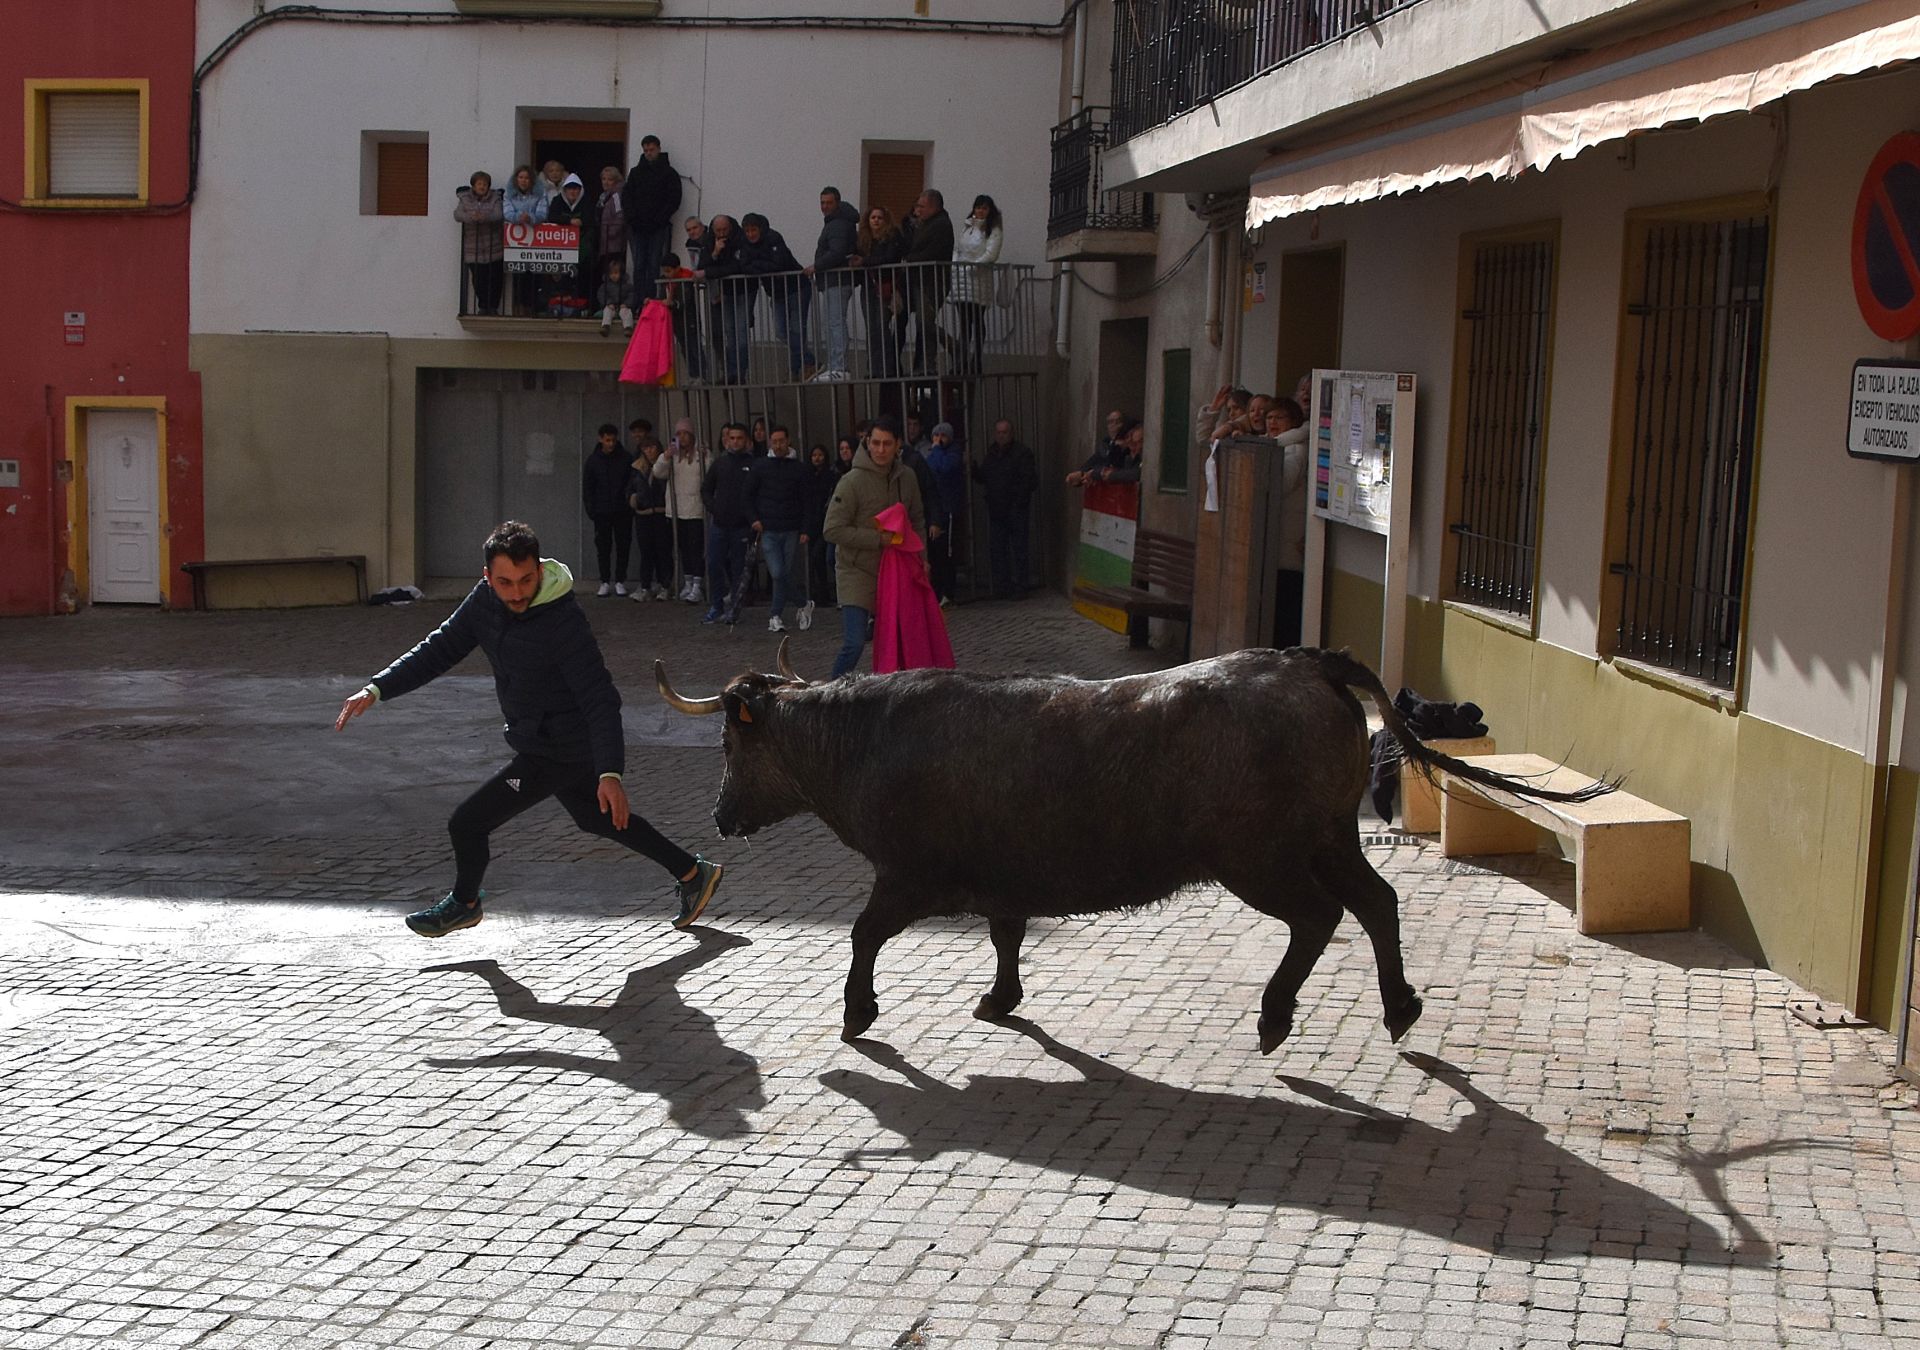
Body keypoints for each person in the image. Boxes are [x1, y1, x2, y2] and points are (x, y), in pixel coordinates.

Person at [333, 520, 724, 937]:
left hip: (558, 750)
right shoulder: (484, 601)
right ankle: (691, 872)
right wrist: (377, 688)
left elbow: (600, 697)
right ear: (487, 577)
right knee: (598, 819)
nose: (517, 593)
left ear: (539, 569)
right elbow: (440, 648)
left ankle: (464, 904)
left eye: (525, 580)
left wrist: (611, 772)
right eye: (505, 582)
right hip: (539, 739)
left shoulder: (564, 622)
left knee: (468, 823)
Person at [824, 416, 925, 678]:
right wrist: (877, 539)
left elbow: (917, 521)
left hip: (896, 571)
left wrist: (922, 559)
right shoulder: (851, 481)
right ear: (867, 442)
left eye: (887, 444)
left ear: (898, 445)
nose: (880, 450)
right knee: (854, 642)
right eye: (876, 443)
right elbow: (832, 529)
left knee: (900, 640)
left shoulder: (907, 477)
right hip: (856, 570)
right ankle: (829, 697)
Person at [740, 212, 813, 382]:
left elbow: (778, 264)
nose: (751, 234)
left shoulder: (773, 238)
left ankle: (797, 369)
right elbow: (744, 266)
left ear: (760, 229)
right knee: (781, 331)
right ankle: (808, 361)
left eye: (753, 230)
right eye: (747, 231)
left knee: (796, 329)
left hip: (796, 288)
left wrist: (756, 264)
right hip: (776, 292)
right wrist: (764, 266)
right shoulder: (745, 244)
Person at [750, 424, 807, 632]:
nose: (779, 445)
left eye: (781, 441)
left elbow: (806, 500)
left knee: (783, 573)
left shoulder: (799, 469)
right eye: (775, 442)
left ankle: (777, 614)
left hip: (791, 528)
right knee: (777, 572)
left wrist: (805, 529)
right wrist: (754, 519)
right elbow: (747, 495)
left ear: (788, 441)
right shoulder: (761, 466)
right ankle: (796, 605)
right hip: (769, 528)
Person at [972, 418, 1037, 599]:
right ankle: (1003, 586)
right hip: (997, 509)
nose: (1001, 436)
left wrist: (1018, 502)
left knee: (1019, 550)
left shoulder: (1022, 454)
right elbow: (984, 476)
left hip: (1015, 509)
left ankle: (1021, 586)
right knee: (998, 550)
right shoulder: (992, 454)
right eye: (998, 432)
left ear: (1012, 433)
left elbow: (1029, 481)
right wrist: (974, 470)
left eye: (1004, 432)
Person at [701, 422, 757, 622]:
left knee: (738, 569)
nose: (735, 442)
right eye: (732, 438)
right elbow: (706, 489)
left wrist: (752, 518)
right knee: (714, 564)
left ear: (747, 441)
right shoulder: (719, 463)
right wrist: (714, 507)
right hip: (719, 524)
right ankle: (716, 605)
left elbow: (758, 494)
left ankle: (734, 608)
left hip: (742, 526)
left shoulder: (754, 465)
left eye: (739, 438)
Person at [1267, 395, 1310, 647]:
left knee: (1286, 606)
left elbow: (1280, 484)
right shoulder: (1277, 446)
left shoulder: (1294, 449)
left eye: (1279, 417)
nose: (1273, 422)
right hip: (1278, 540)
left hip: (1289, 541)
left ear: (1293, 421)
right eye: (1269, 417)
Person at [805, 186, 860, 381]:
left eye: (828, 203)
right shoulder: (838, 222)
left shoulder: (837, 224)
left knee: (835, 322)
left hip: (836, 280)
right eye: (822, 203)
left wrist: (816, 266)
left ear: (837, 203)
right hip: (834, 281)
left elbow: (836, 252)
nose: (824, 207)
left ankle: (839, 366)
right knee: (833, 322)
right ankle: (835, 365)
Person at [655, 419, 710, 603]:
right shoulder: (673, 456)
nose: (682, 438)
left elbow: (709, 474)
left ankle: (697, 584)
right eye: (679, 434)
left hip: (695, 508)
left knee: (696, 548)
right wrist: (666, 457)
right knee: (683, 548)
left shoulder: (700, 454)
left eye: (685, 434)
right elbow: (658, 473)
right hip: (676, 508)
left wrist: (705, 457)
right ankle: (687, 582)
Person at [622, 136, 682, 301]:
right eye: (646, 150)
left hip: (658, 227)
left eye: (651, 150)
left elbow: (674, 199)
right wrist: (633, 219)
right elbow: (626, 197)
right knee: (639, 264)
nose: (649, 153)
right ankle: (639, 300)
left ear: (658, 149)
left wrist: (660, 219)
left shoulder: (669, 173)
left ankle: (652, 299)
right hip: (638, 227)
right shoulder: (635, 172)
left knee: (655, 263)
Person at [852, 204, 908, 378]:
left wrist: (865, 261)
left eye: (879, 217)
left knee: (882, 326)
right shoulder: (863, 239)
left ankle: (887, 368)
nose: (876, 220)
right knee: (871, 328)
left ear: (885, 220)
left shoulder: (892, 236)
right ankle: (874, 368)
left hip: (886, 285)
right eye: (873, 217)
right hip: (868, 287)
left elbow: (890, 258)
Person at [950, 194, 1004, 374]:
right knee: (964, 322)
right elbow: (958, 249)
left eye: (984, 208)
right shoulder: (967, 227)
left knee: (977, 320)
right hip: (961, 279)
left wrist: (973, 267)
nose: (980, 211)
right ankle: (962, 360)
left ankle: (976, 358)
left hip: (979, 280)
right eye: (978, 207)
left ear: (990, 211)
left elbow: (991, 254)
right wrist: (956, 266)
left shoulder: (994, 230)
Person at [903, 190, 955, 373]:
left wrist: (909, 260)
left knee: (924, 323)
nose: (918, 210)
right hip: (923, 280)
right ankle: (926, 364)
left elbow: (932, 252)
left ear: (934, 206)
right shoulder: (927, 224)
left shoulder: (941, 225)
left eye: (921, 206)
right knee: (924, 324)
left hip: (932, 281)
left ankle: (952, 347)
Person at [697, 215, 750, 383]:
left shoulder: (740, 238)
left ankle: (741, 372)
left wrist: (709, 272)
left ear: (730, 228)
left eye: (724, 230)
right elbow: (702, 266)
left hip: (743, 291)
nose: (721, 234)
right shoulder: (709, 241)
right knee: (729, 333)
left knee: (741, 334)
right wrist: (715, 252)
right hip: (724, 293)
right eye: (718, 231)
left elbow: (737, 266)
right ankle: (732, 372)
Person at [583, 423, 634, 596]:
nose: (611, 444)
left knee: (623, 546)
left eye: (613, 440)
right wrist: (592, 509)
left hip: (622, 510)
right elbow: (588, 488)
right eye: (607, 440)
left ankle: (620, 580)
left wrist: (628, 504)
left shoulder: (625, 458)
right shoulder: (593, 461)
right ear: (601, 439)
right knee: (603, 547)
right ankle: (604, 580)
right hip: (602, 511)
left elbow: (631, 483)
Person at [627, 422, 672, 601]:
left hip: (661, 513)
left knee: (663, 551)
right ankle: (645, 585)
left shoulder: (664, 466)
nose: (650, 451)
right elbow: (630, 487)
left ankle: (665, 584)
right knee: (646, 551)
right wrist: (633, 498)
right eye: (646, 448)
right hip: (643, 514)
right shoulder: (637, 467)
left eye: (652, 447)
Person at [924, 422, 967, 605]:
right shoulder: (933, 454)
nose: (939, 439)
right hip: (935, 507)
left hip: (948, 508)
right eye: (936, 435)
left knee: (946, 554)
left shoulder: (954, 454)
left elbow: (944, 468)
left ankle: (948, 592)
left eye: (943, 436)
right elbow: (929, 470)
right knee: (935, 552)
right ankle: (936, 590)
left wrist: (937, 450)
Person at [454, 171, 505, 316]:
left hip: (493, 247)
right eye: (479, 184)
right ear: (473, 186)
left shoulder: (495, 198)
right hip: (473, 248)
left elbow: (499, 214)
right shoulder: (464, 199)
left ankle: (493, 306)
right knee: (478, 279)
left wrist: (484, 217)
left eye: (484, 184)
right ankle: (483, 306)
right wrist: (472, 217)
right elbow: (457, 214)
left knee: (495, 278)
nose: (482, 186)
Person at [502, 165, 547, 316]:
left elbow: (543, 212)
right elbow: (507, 212)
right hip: (516, 244)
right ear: (516, 180)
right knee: (519, 276)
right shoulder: (509, 195)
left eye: (527, 178)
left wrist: (531, 218)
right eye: (521, 177)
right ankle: (520, 306)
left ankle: (533, 307)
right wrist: (518, 217)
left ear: (532, 180)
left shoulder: (540, 195)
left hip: (536, 242)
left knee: (534, 274)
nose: (523, 181)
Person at [801, 443, 839, 619]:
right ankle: (818, 591)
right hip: (812, 522)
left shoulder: (830, 476)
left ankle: (824, 592)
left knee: (821, 556)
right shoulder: (808, 476)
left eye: (820, 455)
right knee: (815, 559)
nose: (817, 458)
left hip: (827, 522)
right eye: (814, 455)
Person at [543, 173, 593, 305]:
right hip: (561, 247)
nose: (573, 191)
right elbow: (552, 216)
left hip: (582, 245)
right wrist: (569, 221)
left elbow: (590, 219)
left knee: (582, 274)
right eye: (570, 188)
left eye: (576, 188)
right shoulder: (557, 201)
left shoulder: (586, 202)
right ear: (565, 190)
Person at [658, 251, 703, 381]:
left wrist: (673, 303)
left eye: (669, 271)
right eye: (664, 271)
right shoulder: (665, 281)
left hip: (689, 320)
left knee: (695, 347)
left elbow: (685, 300)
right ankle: (693, 375)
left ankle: (702, 374)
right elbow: (661, 297)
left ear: (677, 269)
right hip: (677, 322)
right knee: (685, 349)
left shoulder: (685, 280)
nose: (667, 275)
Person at [1066, 412, 1132, 485]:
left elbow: (1112, 466)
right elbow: (1094, 460)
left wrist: (1093, 474)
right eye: (1111, 422)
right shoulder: (1106, 443)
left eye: (1118, 421)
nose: (1114, 425)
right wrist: (1081, 473)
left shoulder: (1127, 445)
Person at [595, 165, 628, 290]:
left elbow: (620, 216)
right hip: (605, 244)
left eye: (609, 179)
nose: (606, 182)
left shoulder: (616, 196)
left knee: (613, 273)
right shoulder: (604, 196)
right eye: (603, 179)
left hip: (614, 244)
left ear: (616, 181)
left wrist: (610, 233)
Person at [596, 257, 634, 335]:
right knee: (607, 311)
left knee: (626, 312)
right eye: (611, 273)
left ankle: (628, 327)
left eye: (616, 273)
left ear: (621, 273)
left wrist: (626, 304)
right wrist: (608, 303)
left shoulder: (627, 286)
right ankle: (606, 326)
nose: (613, 275)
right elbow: (601, 295)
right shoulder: (605, 286)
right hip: (611, 306)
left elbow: (632, 295)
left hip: (622, 306)